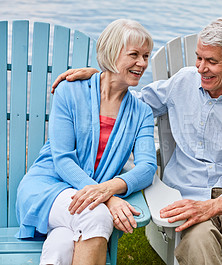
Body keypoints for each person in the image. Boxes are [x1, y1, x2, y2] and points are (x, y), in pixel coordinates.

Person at [52, 17, 222, 265]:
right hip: (188, 196)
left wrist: (213, 206)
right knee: (198, 243)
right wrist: (103, 75)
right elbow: (133, 101)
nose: (201, 68)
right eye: (199, 58)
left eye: (212, 61)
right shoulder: (184, 82)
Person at [16, 19, 157, 265]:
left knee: (61, 245)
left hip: (84, 201)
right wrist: (105, 198)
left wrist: (109, 189)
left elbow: (146, 168)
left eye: (146, 56)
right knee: (98, 218)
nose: (142, 63)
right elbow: (63, 160)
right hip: (48, 187)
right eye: (134, 55)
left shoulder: (142, 112)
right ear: (112, 54)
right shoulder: (69, 92)